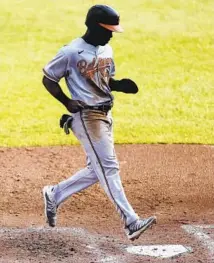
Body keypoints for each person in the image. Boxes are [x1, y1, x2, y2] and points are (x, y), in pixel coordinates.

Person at [42, 4, 156, 241]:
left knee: (98, 170)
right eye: (108, 29)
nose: (111, 34)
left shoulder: (107, 50)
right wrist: (66, 102)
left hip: (106, 114)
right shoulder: (71, 52)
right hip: (86, 116)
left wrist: (120, 85)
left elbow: (104, 79)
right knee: (110, 167)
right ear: (93, 27)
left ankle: (54, 194)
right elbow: (49, 79)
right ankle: (131, 222)